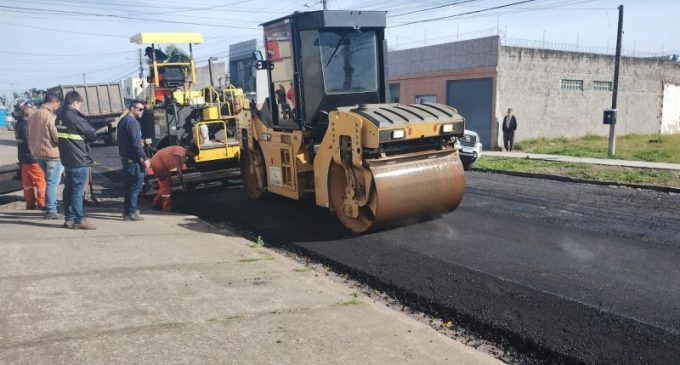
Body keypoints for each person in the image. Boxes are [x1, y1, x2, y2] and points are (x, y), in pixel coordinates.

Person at [56, 91, 97, 230]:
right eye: (80, 104)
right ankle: (79, 220)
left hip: (67, 159)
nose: (80, 106)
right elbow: (92, 133)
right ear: (75, 103)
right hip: (79, 159)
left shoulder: (59, 116)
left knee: (68, 190)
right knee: (78, 192)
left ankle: (68, 218)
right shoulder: (74, 117)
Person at [27, 92, 63, 219]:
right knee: (52, 183)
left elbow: (28, 134)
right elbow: (56, 137)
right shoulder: (50, 117)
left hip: (38, 153)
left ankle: (49, 208)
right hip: (52, 154)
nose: (58, 107)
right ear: (54, 102)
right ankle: (51, 211)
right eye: (58, 104)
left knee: (48, 182)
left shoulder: (33, 115)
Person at [117, 100, 150, 221]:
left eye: (143, 109)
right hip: (134, 161)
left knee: (129, 187)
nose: (142, 112)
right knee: (135, 187)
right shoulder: (133, 123)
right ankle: (131, 212)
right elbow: (136, 144)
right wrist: (145, 158)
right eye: (140, 109)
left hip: (126, 159)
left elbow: (129, 141)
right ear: (132, 108)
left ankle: (127, 212)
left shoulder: (123, 121)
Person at [15, 102, 46, 210]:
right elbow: (30, 141)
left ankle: (30, 203)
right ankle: (42, 203)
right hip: (32, 158)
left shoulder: (18, 124)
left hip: (23, 158)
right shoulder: (27, 126)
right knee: (40, 180)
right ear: (28, 115)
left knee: (27, 182)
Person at [151, 144, 198, 212]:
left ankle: (156, 204)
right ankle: (166, 208)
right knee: (166, 186)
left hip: (163, 165)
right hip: (159, 164)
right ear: (191, 151)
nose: (193, 157)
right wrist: (178, 169)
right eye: (193, 155)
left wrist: (183, 184)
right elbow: (177, 156)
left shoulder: (183, 157)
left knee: (166, 185)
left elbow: (179, 172)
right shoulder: (181, 151)